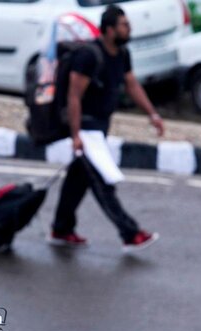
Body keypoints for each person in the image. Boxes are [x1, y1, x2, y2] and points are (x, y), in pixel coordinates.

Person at [48, 5, 164, 253]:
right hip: (86, 128)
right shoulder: (89, 56)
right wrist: (76, 135)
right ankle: (130, 234)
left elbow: (132, 85)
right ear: (110, 30)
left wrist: (152, 114)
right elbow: (74, 96)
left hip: (100, 127)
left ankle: (61, 228)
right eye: (124, 24)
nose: (129, 28)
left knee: (77, 181)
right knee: (102, 182)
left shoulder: (122, 54)